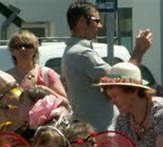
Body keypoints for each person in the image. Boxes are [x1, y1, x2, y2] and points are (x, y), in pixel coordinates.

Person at [62, 1, 152, 131]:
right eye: (96, 21)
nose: (100, 26)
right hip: (101, 132)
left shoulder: (73, 51)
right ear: (82, 21)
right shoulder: (81, 53)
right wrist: (139, 50)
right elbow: (124, 79)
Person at [6, 30, 67, 99]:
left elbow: (65, 102)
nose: (23, 49)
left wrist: (47, 92)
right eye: (17, 46)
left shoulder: (47, 74)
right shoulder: (5, 77)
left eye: (27, 46)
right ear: (12, 51)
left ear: (35, 50)